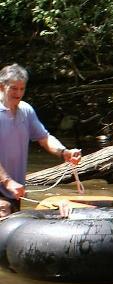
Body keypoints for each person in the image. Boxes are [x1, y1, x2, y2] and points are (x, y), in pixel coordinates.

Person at [0, 64, 83, 217]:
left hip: (14, 190)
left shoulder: (26, 111)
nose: (18, 93)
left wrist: (64, 152)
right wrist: (7, 181)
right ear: (1, 87)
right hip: (6, 186)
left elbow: (44, 138)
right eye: (13, 88)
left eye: (22, 89)